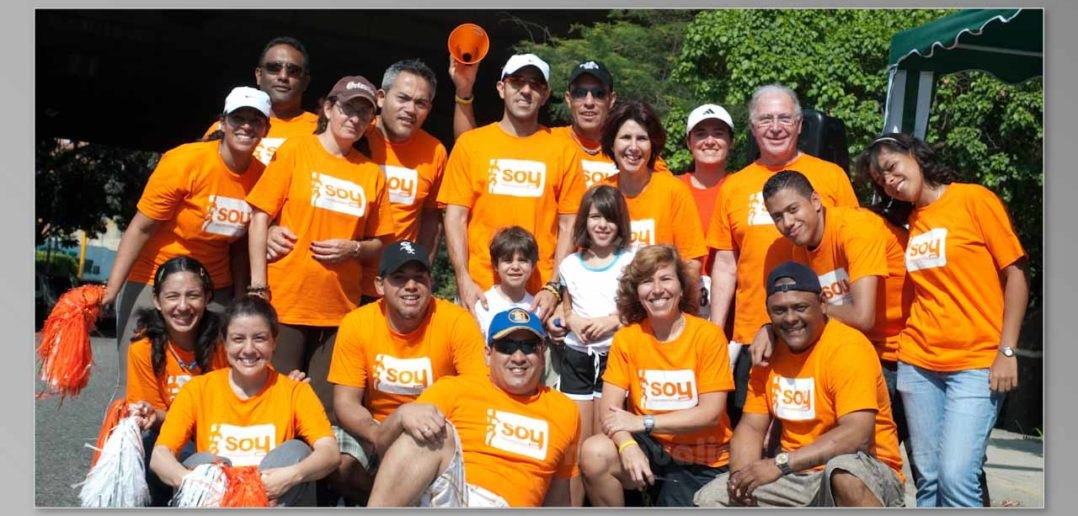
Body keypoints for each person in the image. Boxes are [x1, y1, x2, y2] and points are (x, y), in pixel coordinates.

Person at [857, 133, 1029, 507]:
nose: (889, 181)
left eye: (891, 168)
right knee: (930, 481)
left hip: (976, 363)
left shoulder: (973, 199)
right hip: (918, 363)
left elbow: (1016, 274)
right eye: (880, 180)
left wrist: (1007, 350)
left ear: (914, 154)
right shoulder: (908, 221)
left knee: (957, 476)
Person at [246, 75, 395, 424]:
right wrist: (257, 286)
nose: (354, 118)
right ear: (328, 108)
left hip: (339, 311)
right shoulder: (295, 151)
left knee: (324, 413)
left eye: (363, 113)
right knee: (274, 403)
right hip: (285, 302)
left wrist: (353, 248)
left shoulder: (371, 173)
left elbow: (380, 243)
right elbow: (259, 217)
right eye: (347, 109)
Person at [694, 261, 905, 507]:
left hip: (865, 470)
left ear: (822, 303)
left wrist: (780, 464)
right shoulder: (767, 352)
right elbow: (751, 428)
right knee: (713, 498)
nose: (791, 318)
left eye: (800, 307)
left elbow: (856, 435)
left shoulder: (848, 348)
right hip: (795, 475)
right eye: (779, 310)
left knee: (843, 474)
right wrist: (742, 479)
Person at [706, 83, 859, 416]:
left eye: (784, 118)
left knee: (816, 422)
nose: (775, 127)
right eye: (765, 119)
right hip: (754, 331)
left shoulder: (831, 177)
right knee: (754, 423)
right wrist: (716, 330)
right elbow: (726, 264)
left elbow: (852, 248)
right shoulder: (734, 186)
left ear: (800, 124)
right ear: (753, 128)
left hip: (820, 326)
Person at [103, 86, 272, 383]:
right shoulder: (184, 161)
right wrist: (111, 290)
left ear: (266, 129)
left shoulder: (264, 176)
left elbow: (239, 247)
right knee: (139, 380)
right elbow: (141, 227)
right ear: (222, 122)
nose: (246, 126)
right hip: (153, 277)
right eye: (238, 118)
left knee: (209, 381)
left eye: (256, 120)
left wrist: (240, 298)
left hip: (214, 286)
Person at [266, 59, 447, 306]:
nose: (410, 109)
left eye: (420, 103)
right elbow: (282, 186)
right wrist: (269, 228)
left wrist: (420, 270)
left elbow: (431, 218)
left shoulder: (435, 152)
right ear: (381, 98)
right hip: (332, 279)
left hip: (393, 284)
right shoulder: (349, 130)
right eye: (402, 98)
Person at [753, 170, 913, 449]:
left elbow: (862, 317)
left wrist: (815, 309)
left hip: (903, 354)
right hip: (856, 354)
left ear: (815, 201)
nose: (787, 223)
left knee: (925, 463)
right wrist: (769, 328)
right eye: (777, 216)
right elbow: (806, 316)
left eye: (793, 209)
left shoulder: (856, 228)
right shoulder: (799, 250)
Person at [325, 240, 488, 504]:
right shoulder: (357, 323)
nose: (411, 286)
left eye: (419, 278)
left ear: (430, 282)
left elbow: (477, 392)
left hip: (435, 430)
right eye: (399, 278)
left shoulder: (458, 322)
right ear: (380, 285)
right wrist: (378, 433)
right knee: (335, 456)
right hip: (376, 428)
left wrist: (429, 424)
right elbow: (346, 403)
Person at [367, 307, 582, 507]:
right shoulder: (453, 390)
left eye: (529, 347)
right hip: (451, 498)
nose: (518, 357)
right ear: (488, 354)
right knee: (431, 429)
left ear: (542, 354)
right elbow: (384, 447)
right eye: (506, 348)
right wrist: (401, 415)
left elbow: (560, 496)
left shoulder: (565, 410)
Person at [579, 245, 734, 507]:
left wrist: (643, 422)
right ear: (636, 293)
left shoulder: (708, 336)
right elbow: (609, 410)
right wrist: (627, 446)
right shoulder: (627, 338)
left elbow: (710, 413)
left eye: (665, 278)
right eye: (646, 281)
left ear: (682, 287)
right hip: (650, 448)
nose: (657, 289)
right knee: (595, 452)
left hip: (703, 457)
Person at [149, 296, 339, 507]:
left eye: (259, 338)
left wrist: (292, 475)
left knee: (296, 452)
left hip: (271, 497)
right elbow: (160, 455)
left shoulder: (295, 391)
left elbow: (330, 452)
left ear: (274, 342)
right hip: (217, 498)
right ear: (224, 343)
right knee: (201, 462)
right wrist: (193, 482)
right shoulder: (197, 389)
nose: (248, 349)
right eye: (238, 339)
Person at [437, 53, 586, 322]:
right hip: (479, 293)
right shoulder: (471, 144)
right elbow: (455, 217)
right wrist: (463, 280)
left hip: (539, 298)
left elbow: (570, 225)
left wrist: (554, 286)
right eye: (517, 81)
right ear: (501, 88)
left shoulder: (564, 150)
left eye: (535, 84)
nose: (526, 90)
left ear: (545, 94)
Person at [451, 59, 670, 185]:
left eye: (598, 93)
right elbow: (475, 150)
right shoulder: (549, 141)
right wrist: (464, 93)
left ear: (611, 99)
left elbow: (665, 195)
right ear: (568, 99)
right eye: (580, 93)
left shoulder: (632, 151)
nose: (589, 102)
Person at [124, 256, 227, 506]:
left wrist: (288, 386)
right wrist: (152, 415)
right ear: (157, 301)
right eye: (172, 296)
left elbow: (258, 387)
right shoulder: (143, 348)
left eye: (193, 295)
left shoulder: (226, 340)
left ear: (207, 297)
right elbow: (156, 417)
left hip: (223, 435)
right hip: (171, 435)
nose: (183, 306)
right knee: (147, 448)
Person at [554, 184, 634, 440]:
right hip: (577, 357)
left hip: (614, 357)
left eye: (610, 218)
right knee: (576, 436)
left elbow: (639, 312)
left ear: (620, 223)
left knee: (604, 438)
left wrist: (613, 321)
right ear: (584, 221)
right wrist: (572, 322)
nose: (602, 225)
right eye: (595, 217)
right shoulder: (570, 265)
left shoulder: (631, 261)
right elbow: (567, 308)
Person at [203, 36, 317, 166]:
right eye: (274, 68)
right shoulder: (226, 127)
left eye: (294, 71)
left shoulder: (322, 130)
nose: (283, 76)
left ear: (306, 82)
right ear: (258, 75)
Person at [680, 103, 735, 276]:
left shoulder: (742, 187)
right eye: (701, 134)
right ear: (689, 142)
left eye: (718, 133)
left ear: (731, 142)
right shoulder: (672, 188)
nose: (710, 141)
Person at [474, 226, 538, 339]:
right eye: (508, 261)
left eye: (522, 260)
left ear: (533, 266)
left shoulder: (536, 308)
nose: (515, 267)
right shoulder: (483, 306)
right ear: (495, 265)